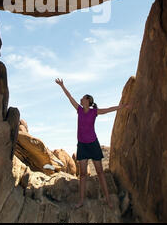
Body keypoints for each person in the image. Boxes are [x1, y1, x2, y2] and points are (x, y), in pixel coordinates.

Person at [55, 77, 131, 210]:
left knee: (100, 172)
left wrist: (122, 106)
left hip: (93, 144)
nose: (81, 99)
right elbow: (69, 97)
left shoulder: (94, 112)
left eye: (83, 98)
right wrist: (62, 86)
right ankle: (81, 200)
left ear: (88, 101)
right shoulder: (78, 109)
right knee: (83, 174)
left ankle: (108, 199)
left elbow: (108, 109)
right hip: (82, 145)